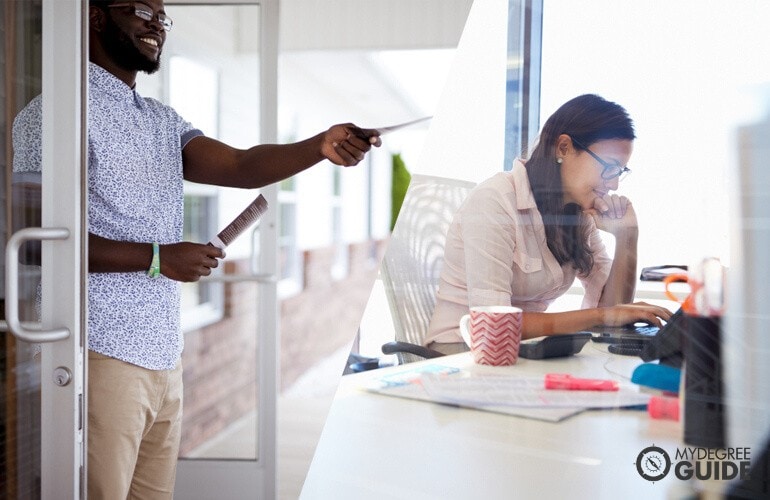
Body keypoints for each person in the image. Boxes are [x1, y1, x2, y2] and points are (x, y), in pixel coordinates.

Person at [12, 0, 381, 497]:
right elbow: (34, 238)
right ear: (96, 16)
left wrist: (318, 145)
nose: (156, 25)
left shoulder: (159, 119)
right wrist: (158, 258)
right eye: (143, 11)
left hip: (165, 351)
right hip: (98, 351)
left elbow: (240, 165)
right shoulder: (53, 112)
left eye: (163, 18)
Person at [426, 94, 671, 354]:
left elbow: (614, 312)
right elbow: (494, 325)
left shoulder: (576, 214)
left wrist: (627, 239)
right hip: (460, 351)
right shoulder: (495, 200)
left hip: (524, 350)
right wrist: (600, 316)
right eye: (609, 168)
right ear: (563, 148)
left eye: (620, 172)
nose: (613, 184)